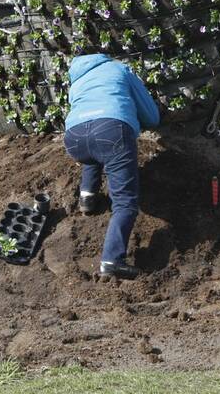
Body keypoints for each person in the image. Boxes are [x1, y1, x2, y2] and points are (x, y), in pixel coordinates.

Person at [63, 53, 160, 280]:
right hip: (111, 131)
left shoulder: (77, 82)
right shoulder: (119, 70)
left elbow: (87, 120)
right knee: (125, 202)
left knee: (94, 150)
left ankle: (87, 196)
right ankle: (112, 260)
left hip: (74, 138)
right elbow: (150, 114)